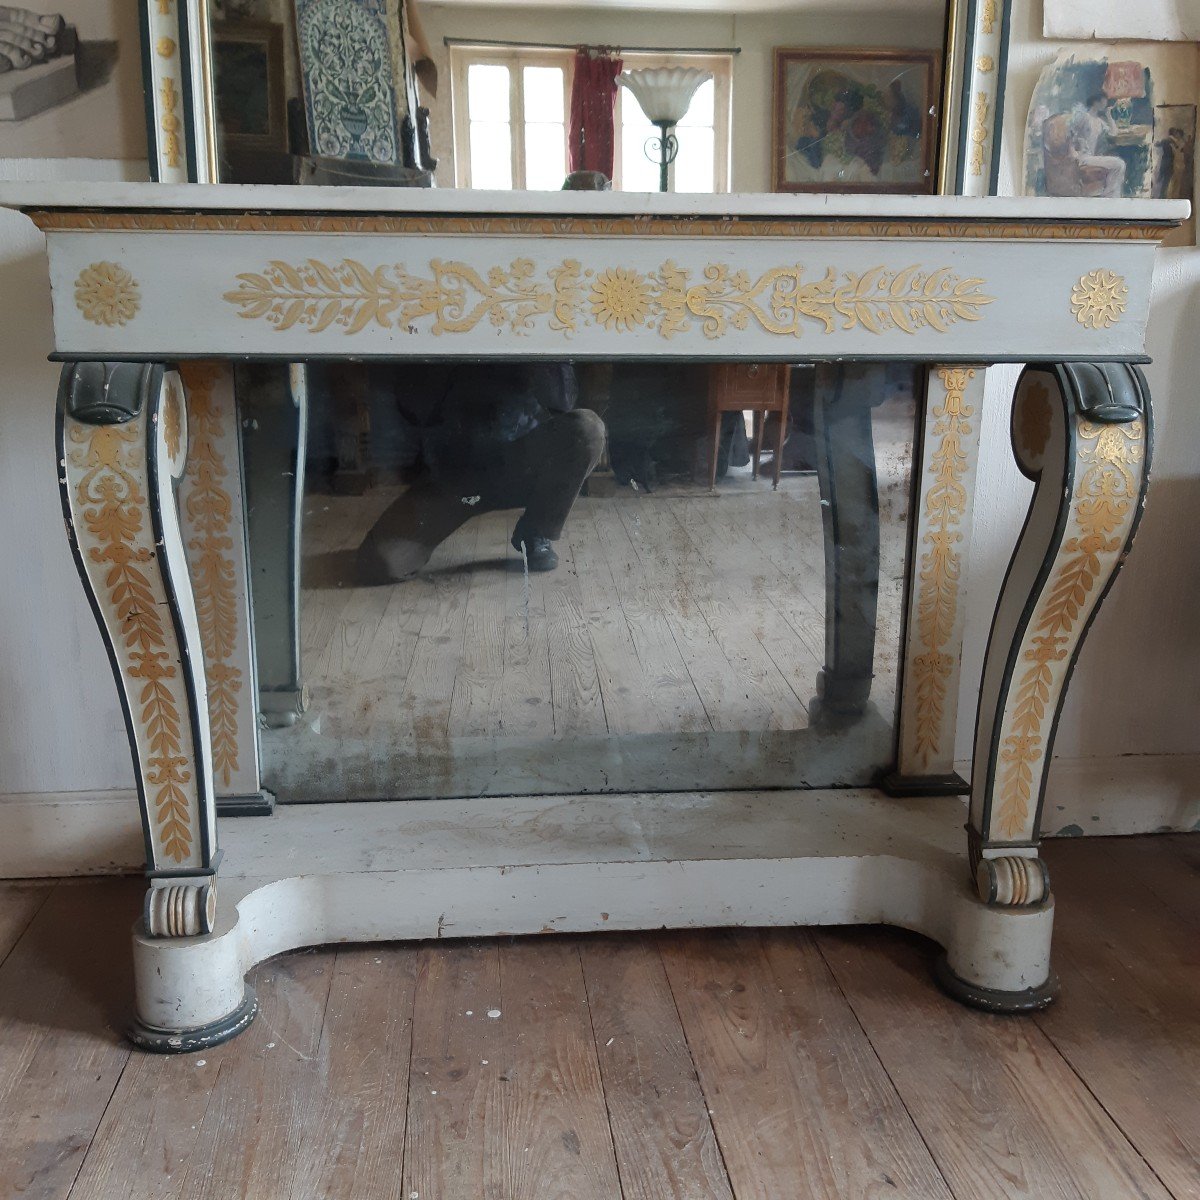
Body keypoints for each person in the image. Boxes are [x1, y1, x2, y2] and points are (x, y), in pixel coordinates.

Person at [356, 362, 604, 583]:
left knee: (587, 429)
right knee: (379, 564)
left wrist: (535, 358)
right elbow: (412, 408)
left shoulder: (530, 317)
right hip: (454, 477)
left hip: (519, 463)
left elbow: (564, 401)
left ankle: (536, 530)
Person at [1068, 92, 1126, 198]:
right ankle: (1110, 197)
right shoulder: (1084, 117)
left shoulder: (1099, 121)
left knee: (1119, 165)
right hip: (1082, 157)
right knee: (1119, 164)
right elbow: (1070, 133)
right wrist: (1073, 152)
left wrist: (1109, 115)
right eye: (1103, 101)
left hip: (1091, 157)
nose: (1106, 104)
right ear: (1096, 102)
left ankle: (1109, 196)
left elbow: (1113, 132)